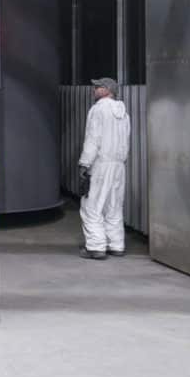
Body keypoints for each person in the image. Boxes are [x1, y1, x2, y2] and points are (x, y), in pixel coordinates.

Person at [78, 77, 131, 260]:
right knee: (114, 206)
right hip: (119, 165)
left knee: (91, 206)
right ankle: (116, 245)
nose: (95, 89)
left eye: (98, 87)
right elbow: (126, 140)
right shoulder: (123, 113)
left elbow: (93, 139)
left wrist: (85, 163)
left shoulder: (98, 110)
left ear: (108, 89)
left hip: (101, 164)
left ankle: (96, 247)